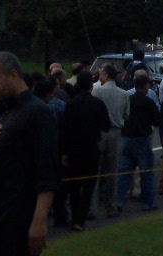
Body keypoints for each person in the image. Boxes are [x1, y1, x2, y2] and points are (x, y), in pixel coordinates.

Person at [0, 51, 58, 256]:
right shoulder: (9, 111)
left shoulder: (37, 112)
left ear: (13, 74)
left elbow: (47, 171)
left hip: (14, 222)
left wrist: (39, 222)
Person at [59, 71, 111, 232]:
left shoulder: (71, 104)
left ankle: (75, 216)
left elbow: (64, 129)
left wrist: (65, 151)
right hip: (91, 148)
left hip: (73, 149)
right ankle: (80, 219)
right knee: (89, 185)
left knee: (74, 185)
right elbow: (106, 125)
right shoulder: (97, 104)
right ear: (91, 86)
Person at [115, 71, 160, 213]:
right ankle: (147, 202)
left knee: (124, 172)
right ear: (146, 86)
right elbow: (156, 120)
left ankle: (119, 200)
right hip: (142, 138)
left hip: (126, 138)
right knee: (146, 171)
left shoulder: (128, 99)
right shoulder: (148, 102)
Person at [91, 63, 128, 218]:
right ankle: (111, 205)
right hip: (116, 132)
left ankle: (92, 207)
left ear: (105, 75)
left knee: (95, 170)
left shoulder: (96, 91)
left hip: (99, 131)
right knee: (112, 171)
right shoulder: (123, 94)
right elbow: (126, 115)